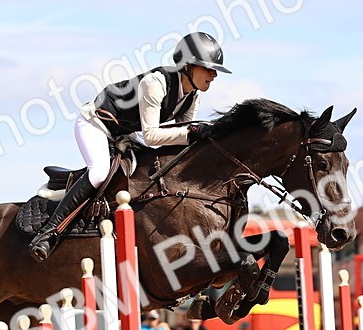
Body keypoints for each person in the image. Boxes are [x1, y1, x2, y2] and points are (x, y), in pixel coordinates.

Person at [28, 32, 231, 262]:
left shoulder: (192, 95)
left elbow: (184, 134)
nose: (214, 75)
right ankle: (49, 233)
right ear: (187, 65)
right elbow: (152, 135)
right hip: (96, 123)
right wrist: (191, 132)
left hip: (125, 134)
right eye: (209, 68)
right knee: (99, 173)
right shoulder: (155, 83)